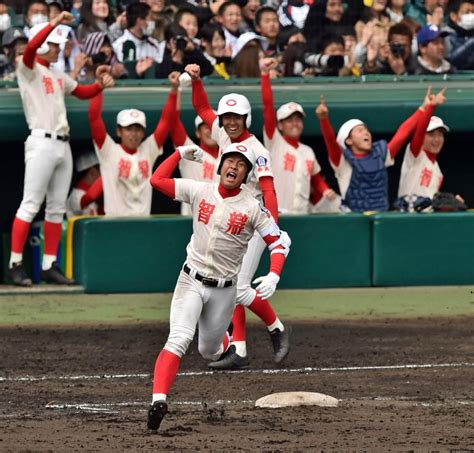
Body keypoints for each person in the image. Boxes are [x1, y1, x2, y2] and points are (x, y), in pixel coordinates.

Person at [147, 142, 291, 431]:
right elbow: (157, 181)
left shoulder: (252, 207)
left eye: (241, 164)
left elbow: (278, 242)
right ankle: (158, 401)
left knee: (210, 352)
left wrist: (274, 274)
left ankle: (225, 342)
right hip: (190, 279)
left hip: (225, 290)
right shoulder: (200, 190)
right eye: (230, 161)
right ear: (221, 164)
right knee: (178, 339)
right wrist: (178, 153)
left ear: (247, 173)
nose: (234, 167)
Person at [186, 63, 291, 370]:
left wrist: (273, 228)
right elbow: (202, 106)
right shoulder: (223, 133)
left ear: (246, 118)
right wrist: (196, 80)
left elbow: (269, 190)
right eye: (227, 117)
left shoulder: (257, 150)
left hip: (256, 220)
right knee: (229, 283)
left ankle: (277, 328)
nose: (230, 122)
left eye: (236, 117)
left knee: (240, 288)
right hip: (232, 219)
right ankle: (240, 349)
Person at [7, 11, 114, 287]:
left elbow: (81, 91)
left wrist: (100, 84)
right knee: (30, 204)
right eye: (54, 44)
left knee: (55, 209)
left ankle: (48, 264)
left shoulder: (56, 73)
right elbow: (31, 48)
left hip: (61, 143)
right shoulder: (26, 66)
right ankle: (16, 263)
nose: (58, 48)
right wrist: (53, 23)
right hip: (40, 140)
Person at [315, 89, 436, 213]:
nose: (366, 132)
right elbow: (330, 142)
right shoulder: (343, 162)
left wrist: (423, 108)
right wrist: (323, 120)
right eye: (360, 130)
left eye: (366, 130)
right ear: (349, 141)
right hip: (355, 219)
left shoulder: (380, 154)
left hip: (381, 216)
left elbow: (403, 133)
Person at [88, 74, 176, 216]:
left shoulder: (148, 150)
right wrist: (98, 86)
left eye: (138, 129)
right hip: (115, 222)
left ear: (143, 132)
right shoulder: (109, 150)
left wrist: (174, 90)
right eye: (128, 129)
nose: (133, 134)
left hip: (143, 222)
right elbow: (94, 118)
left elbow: (165, 122)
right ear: (119, 131)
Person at [260, 57, 337, 214]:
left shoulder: (308, 150)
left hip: (301, 213)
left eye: (298, 119)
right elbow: (267, 108)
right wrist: (265, 76)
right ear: (280, 125)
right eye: (289, 120)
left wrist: (325, 190)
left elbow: (315, 178)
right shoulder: (275, 141)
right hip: (277, 215)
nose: (295, 123)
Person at [165, 72, 220, 215]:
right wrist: (176, 90)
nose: (210, 131)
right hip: (191, 222)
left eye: (213, 127)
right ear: (197, 132)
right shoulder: (190, 150)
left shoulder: (229, 154)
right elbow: (173, 121)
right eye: (205, 127)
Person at [398, 87, 449, 199]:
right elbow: (419, 132)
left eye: (440, 135)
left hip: (427, 215)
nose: (436, 140)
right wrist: (431, 106)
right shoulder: (416, 154)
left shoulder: (437, 169)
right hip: (407, 214)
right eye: (431, 135)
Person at [66, 150, 103, 217]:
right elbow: (89, 197)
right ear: (93, 172)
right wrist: (106, 175)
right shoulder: (76, 194)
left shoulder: (95, 196)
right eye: (102, 170)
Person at [443, 0, 474, 70]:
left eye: (473, 12)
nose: (472, 16)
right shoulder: (445, 34)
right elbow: (451, 60)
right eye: (467, 12)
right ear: (453, 16)